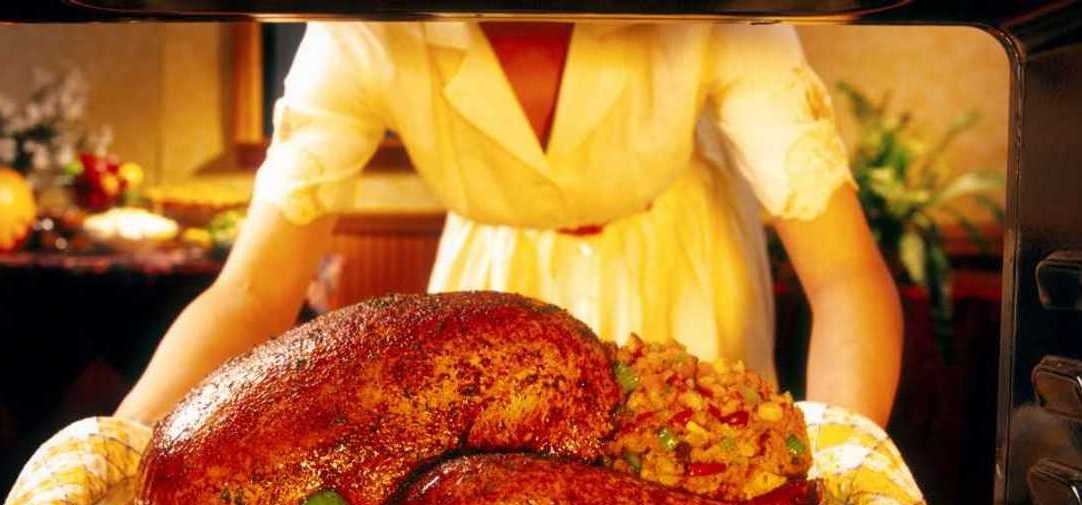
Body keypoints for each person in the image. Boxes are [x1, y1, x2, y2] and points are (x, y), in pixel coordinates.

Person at [115, 21, 903, 427]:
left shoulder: (719, 15)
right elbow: (254, 289)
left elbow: (842, 273)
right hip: (491, 276)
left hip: (676, 261)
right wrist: (122, 439)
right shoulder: (363, 30)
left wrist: (846, 458)